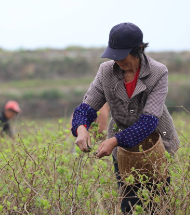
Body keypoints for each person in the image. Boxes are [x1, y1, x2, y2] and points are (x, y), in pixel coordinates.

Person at [71, 22, 180, 213]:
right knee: (129, 204)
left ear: (138, 50)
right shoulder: (106, 71)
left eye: (122, 55)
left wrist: (114, 140)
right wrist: (81, 128)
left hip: (156, 142)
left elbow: (149, 121)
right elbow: (87, 106)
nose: (117, 60)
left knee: (157, 202)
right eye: (113, 54)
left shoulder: (158, 72)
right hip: (123, 149)